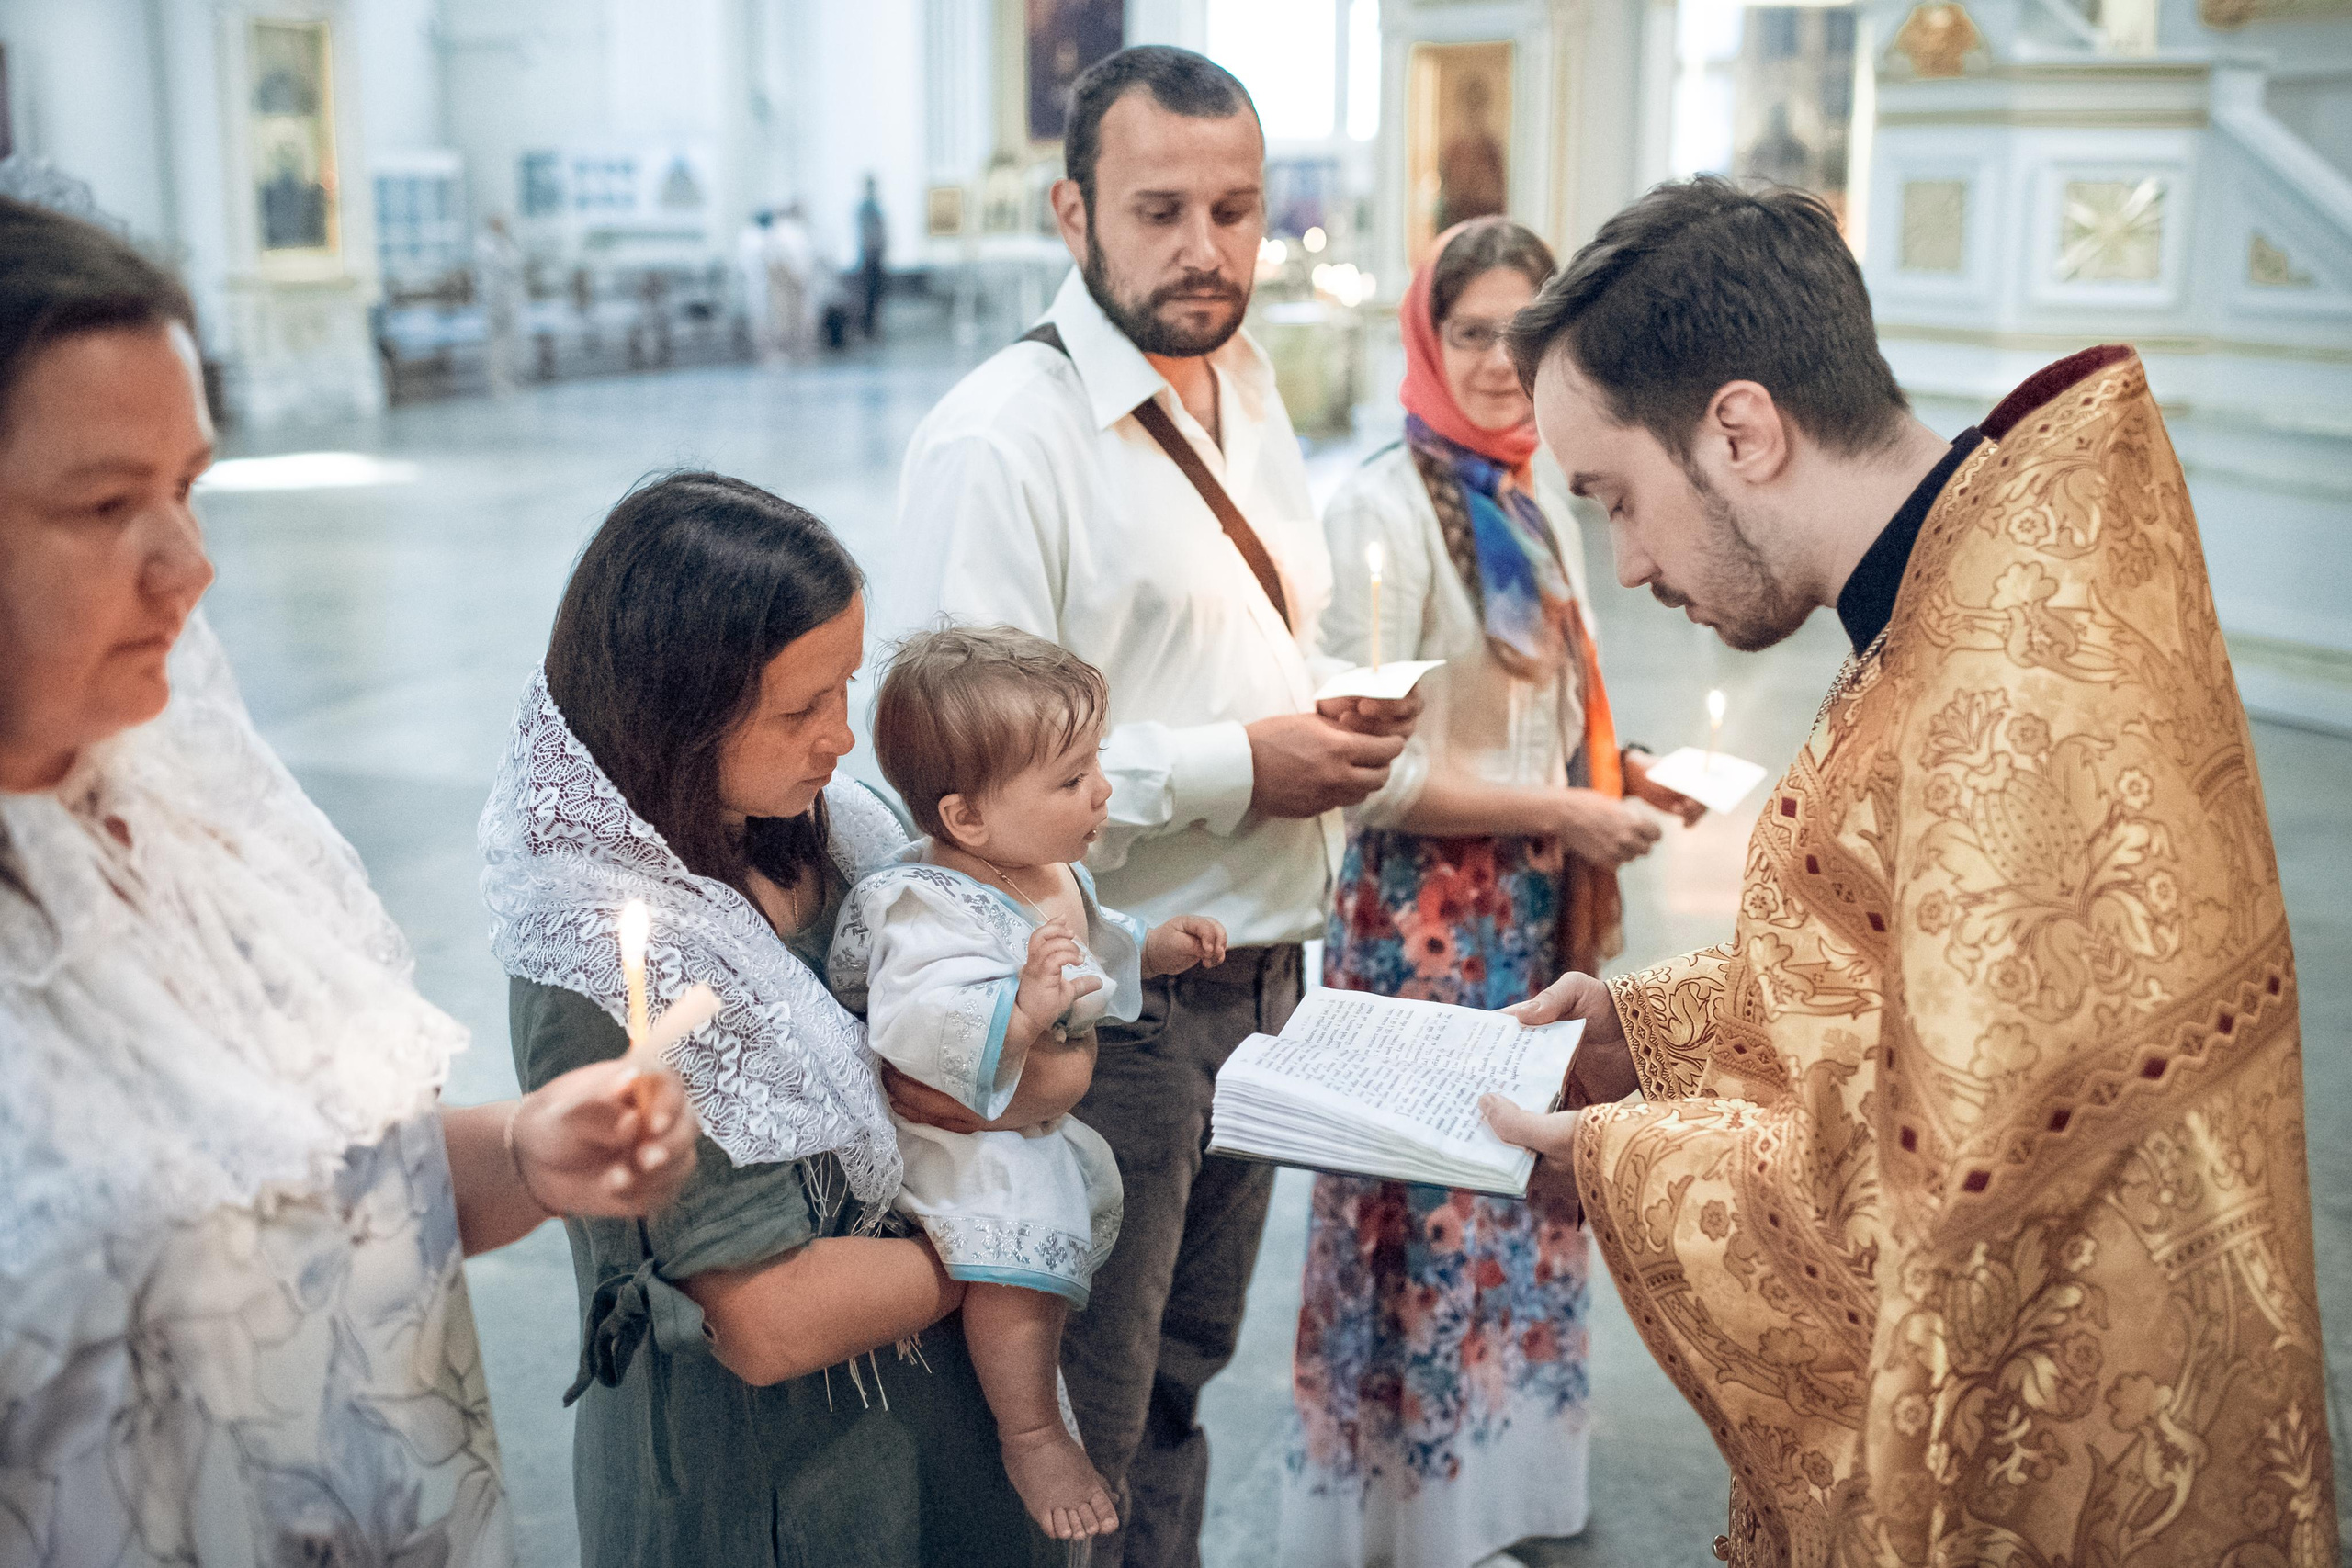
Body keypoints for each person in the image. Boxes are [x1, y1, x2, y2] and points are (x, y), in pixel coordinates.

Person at [1483, 176, 2339, 1565]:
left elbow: (1938, 1206)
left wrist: (1621, 1165)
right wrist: (1650, 1035)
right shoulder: (1979, 581)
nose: (1627, 562)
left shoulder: (2002, 690)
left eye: (1618, 498)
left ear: (1742, 430)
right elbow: (1908, 981)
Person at [0, 195, 697, 1565]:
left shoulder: (188, 816)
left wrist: (520, 1151)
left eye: (188, 488)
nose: (188, 568)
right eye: (102, 504)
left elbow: (298, 1194)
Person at [885, 45, 1420, 1568]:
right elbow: (945, 781)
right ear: (1074, 213)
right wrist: (1241, 763)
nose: (1208, 250)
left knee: (1177, 1390)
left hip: (1257, 979)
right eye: (1162, 209)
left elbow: (1236, 640)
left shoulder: (1241, 383)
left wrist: (1326, 706)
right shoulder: (1005, 440)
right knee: (1072, 1422)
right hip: (1106, 1013)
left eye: (1238, 209)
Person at [481, 472, 1049, 1566]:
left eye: (846, 686)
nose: (842, 740)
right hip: (777, 1480)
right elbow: (765, 1320)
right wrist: (1028, 1233)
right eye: (800, 709)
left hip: (933, 1421)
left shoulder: (831, 834)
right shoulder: (604, 958)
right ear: (676, 717)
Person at [1285, 215, 1702, 1568]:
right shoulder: (1381, 506)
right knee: (1424, 1199)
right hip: (1417, 924)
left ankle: (1508, 1482)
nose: (1497, 361)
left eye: (1525, 334)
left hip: (1525, 912)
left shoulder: (1528, 494)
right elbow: (1363, 775)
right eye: (1471, 331)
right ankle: (1409, 1513)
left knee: (1522, 1180)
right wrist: (1561, 806)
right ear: (1426, 333)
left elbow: (1541, 724)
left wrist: (1622, 777)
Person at [831, 625, 1230, 1540]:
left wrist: (1150, 949)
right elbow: (914, 1024)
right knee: (1014, 1266)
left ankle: (1041, 1417)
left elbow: (1088, 942)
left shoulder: (1040, 868)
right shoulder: (926, 903)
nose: (1102, 791)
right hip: (957, 1150)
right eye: (1070, 779)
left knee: (1050, 1256)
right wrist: (1015, 1013)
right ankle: (1033, 1429)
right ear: (966, 817)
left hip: (1027, 1125)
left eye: (1096, 764)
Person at [475, 213, 526, 395]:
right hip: (494, 302)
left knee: (511, 342)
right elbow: (501, 267)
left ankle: (512, 379)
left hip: (510, 300)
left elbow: (516, 265)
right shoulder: (486, 243)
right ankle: (498, 382)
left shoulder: (506, 242)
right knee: (497, 344)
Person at [856, 175, 888, 340]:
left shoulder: (874, 207)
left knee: (876, 296)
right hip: (871, 257)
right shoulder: (866, 208)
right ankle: (868, 329)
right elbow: (868, 234)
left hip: (876, 256)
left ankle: (873, 328)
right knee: (869, 296)